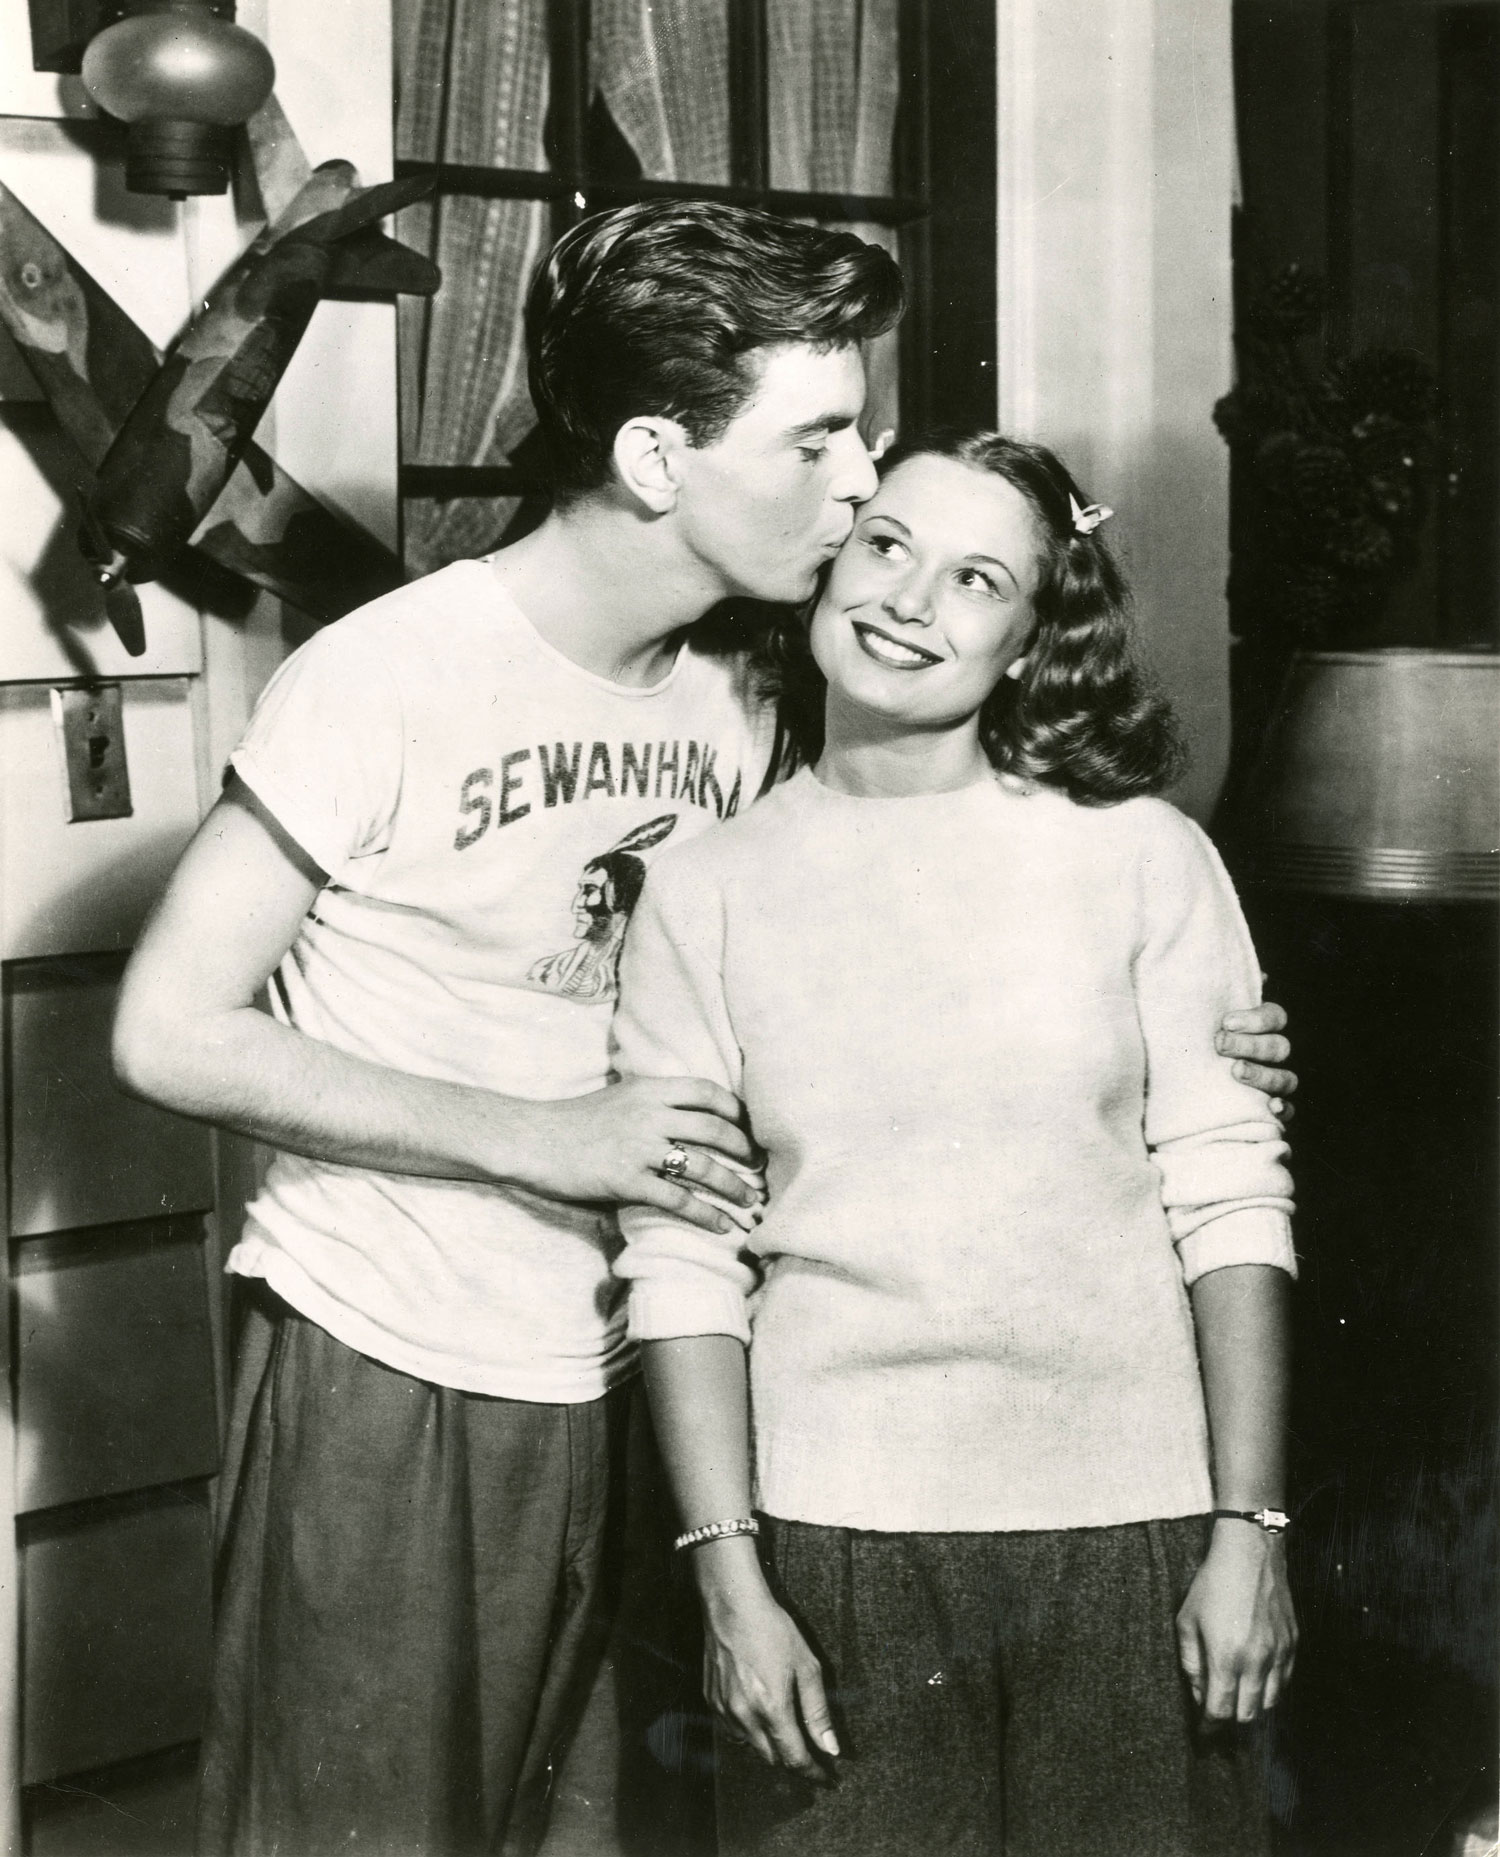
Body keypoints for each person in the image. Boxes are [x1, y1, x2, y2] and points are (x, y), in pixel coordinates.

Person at [111, 198, 1296, 1857]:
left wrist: (1204, 1040)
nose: (863, 484)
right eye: (822, 442)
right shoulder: (384, 676)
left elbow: (905, 914)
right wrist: (550, 1139)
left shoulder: (746, 684)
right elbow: (166, 1031)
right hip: (405, 1355)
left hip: (653, 1377)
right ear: (663, 455)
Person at [613, 431, 1300, 1857]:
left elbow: (1232, 1200)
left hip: (1136, 1536)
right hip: (829, 1544)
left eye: (977, 576)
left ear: (1035, 633)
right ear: (830, 562)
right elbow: (684, 1254)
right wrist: (732, 1585)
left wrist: (1252, 1530)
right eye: (887, 545)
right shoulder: (704, 889)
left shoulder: (1141, 857)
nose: (909, 599)